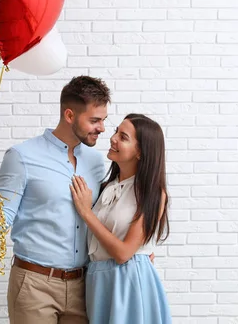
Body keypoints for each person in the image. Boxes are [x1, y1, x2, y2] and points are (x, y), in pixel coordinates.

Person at [0, 75, 110, 324]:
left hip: (84, 285)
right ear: (69, 116)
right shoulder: (22, 156)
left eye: (103, 120)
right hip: (34, 286)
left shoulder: (96, 162)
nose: (101, 128)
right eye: (94, 120)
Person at [70, 113, 172, 324]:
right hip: (97, 280)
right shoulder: (107, 187)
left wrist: (86, 213)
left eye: (123, 137)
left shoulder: (152, 192)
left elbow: (124, 253)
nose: (113, 138)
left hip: (128, 281)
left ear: (140, 152)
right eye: (116, 131)